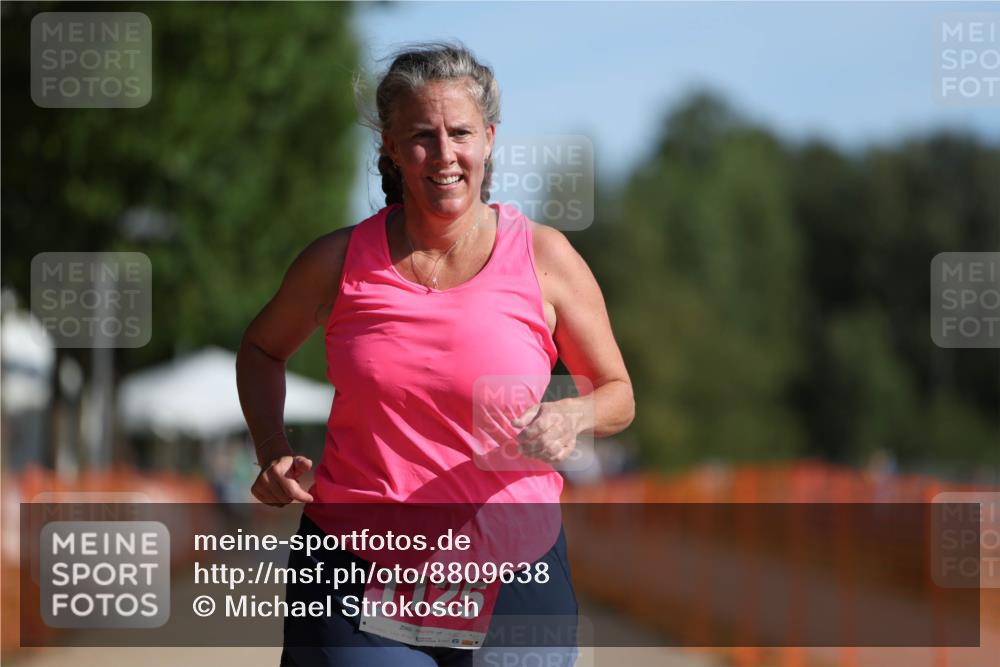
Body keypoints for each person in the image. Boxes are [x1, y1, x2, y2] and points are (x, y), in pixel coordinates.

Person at [236, 41, 634, 667]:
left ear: (490, 139)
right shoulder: (338, 262)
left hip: (513, 568)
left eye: (461, 132)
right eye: (422, 135)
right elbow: (261, 348)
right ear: (392, 148)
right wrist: (272, 449)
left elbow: (617, 392)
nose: (445, 154)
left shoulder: (545, 257)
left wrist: (571, 415)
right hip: (359, 563)